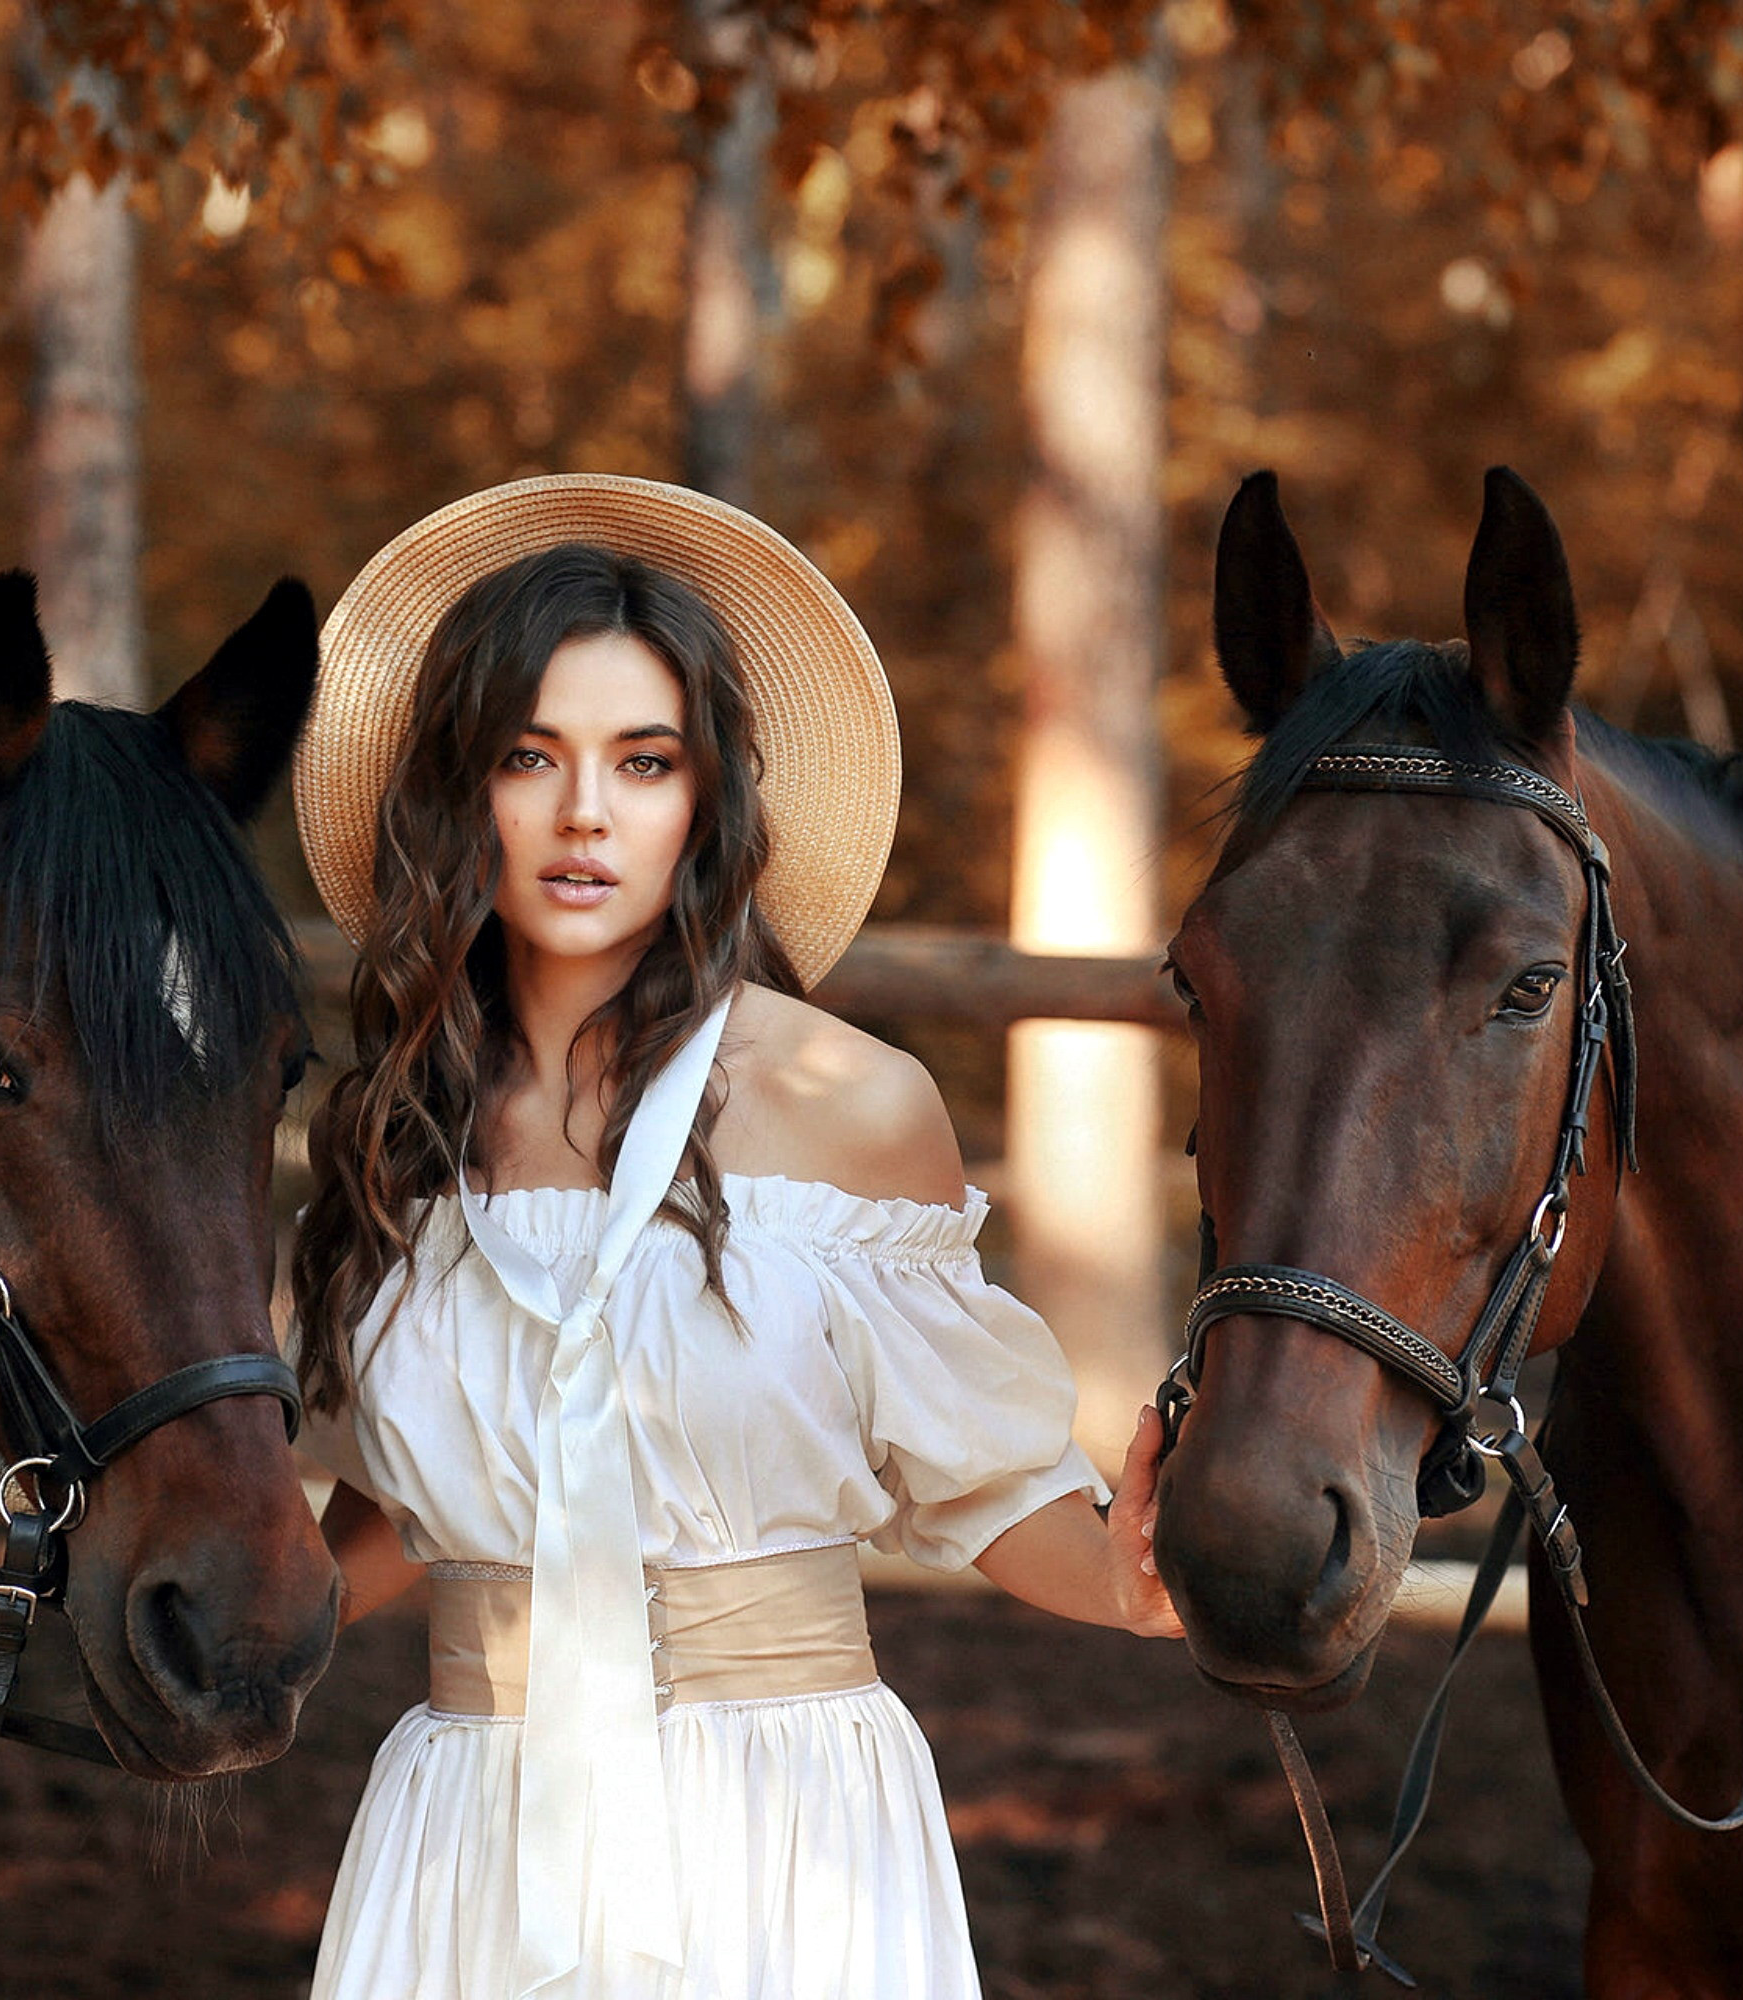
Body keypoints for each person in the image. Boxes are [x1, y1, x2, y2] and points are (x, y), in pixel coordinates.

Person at [285, 473, 1181, 2000]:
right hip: (465, 1829)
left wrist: (1137, 1582)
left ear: (706, 799)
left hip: (781, 1829)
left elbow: (979, 1477)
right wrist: (207, 1624)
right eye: (529, 757)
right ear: (459, 793)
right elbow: (408, 1512)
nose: (584, 815)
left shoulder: (851, 1105)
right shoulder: (393, 1130)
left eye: (643, 762)